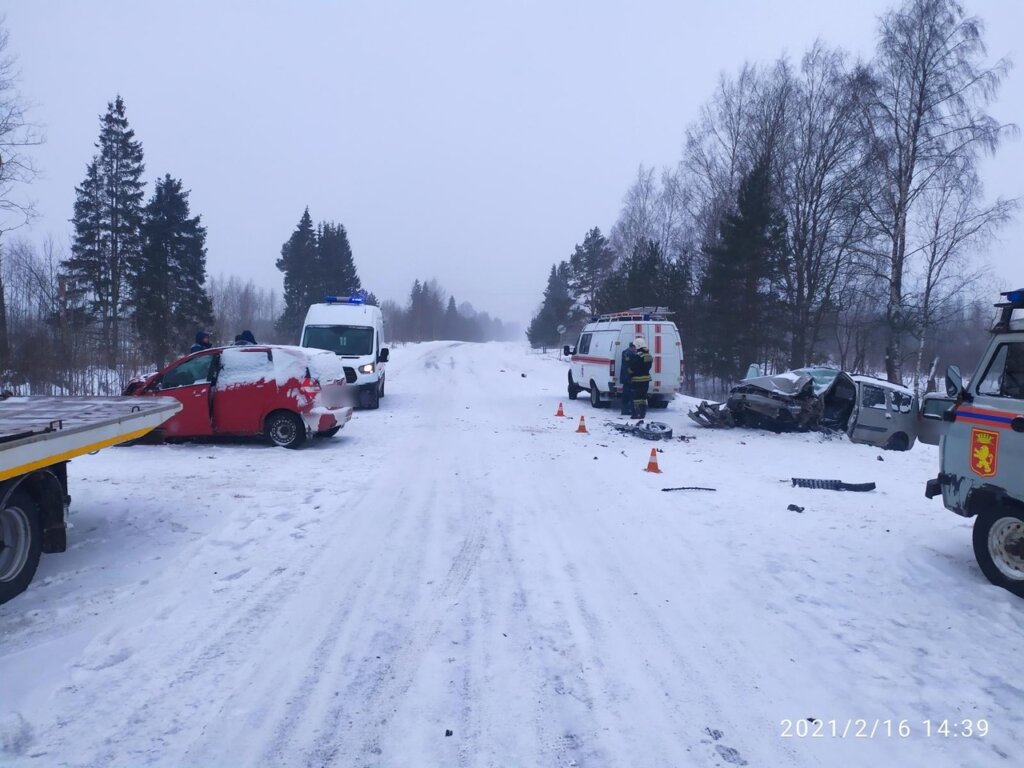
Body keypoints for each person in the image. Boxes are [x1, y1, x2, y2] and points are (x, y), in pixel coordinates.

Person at [628, 336, 654, 419]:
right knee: (643, 397)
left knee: (636, 397)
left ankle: (636, 414)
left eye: (635, 346)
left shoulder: (638, 357)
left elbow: (632, 368)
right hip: (646, 379)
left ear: (638, 346)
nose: (634, 348)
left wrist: (629, 372)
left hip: (637, 379)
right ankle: (642, 413)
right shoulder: (649, 356)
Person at [619, 341, 636, 415]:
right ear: (632, 347)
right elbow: (628, 366)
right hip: (627, 377)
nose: (635, 349)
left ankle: (626, 409)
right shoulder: (628, 353)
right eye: (635, 348)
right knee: (627, 394)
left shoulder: (626, 353)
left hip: (626, 377)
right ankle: (626, 410)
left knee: (627, 394)